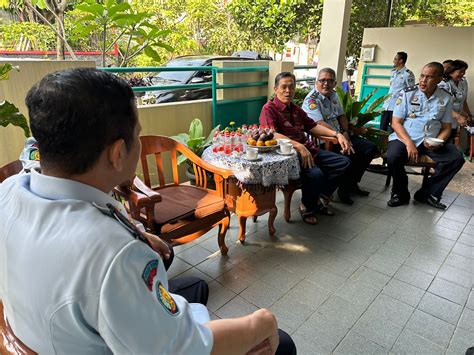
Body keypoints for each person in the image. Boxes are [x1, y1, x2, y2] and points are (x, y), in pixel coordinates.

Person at [0, 68, 296, 354]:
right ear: (117, 154)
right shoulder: (115, 254)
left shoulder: (10, 190)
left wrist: (140, 234)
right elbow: (186, 350)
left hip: (41, 331)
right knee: (280, 342)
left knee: (194, 287)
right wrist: (260, 323)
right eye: (138, 135)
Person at [259, 71, 351, 224]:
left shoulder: (296, 109)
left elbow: (313, 126)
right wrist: (298, 146)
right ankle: (307, 206)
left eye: (291, 87)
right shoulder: (269, 109)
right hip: (289, 156)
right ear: (275, 89)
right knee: (316, 174)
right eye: (284, 87)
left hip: (309, 150)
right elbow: (272, 134)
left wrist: (337, 134)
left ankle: (319, 197)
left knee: (344, 163)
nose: (288, 91)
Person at [386, 62, 465, 209]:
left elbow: (447, 127)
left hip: (430, 140)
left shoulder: (446, 98)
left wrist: (439, 141)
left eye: (429, 77)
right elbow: (396, 123)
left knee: (456, 159)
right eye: (422, 75)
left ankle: (427, 192)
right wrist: (409, 143)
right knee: (393, 157)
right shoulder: (407, 93)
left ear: (439, 79)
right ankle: (401, 193)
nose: (423, 80)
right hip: (404, 138)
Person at [302, 68, 378, 205]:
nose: (326, 83)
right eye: (322, 80)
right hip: (325, 140)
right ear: (316, 82)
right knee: (349, 155)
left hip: (339, 135)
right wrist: (339, 136)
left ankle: (351, 184)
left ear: (335, 83)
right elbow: (319, 124)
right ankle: (342, 190)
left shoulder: (334, 95)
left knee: (370, 148)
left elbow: (341, 115)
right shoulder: (311, 101)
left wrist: (345, 132)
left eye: (330, 80)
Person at [381, 52, 416, 132]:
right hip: (387, 105)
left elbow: (411, 91)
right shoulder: (393, 72)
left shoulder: (408, 74)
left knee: (394, 130)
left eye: (395, 59)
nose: (393, 61)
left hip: (397, 106)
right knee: (382, 129)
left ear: (401, 61)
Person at [439, 59, 472, 141]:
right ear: (451, 72)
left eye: (464, 71)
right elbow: (442, 105)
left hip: (457, 119)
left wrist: (469, 115)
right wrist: (458, 117)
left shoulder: (463, 82)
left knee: (453, 139)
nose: (463, 74)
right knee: (444, 141)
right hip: (444, 119)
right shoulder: (443, 84)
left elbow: (463, 101)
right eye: (460, 71)